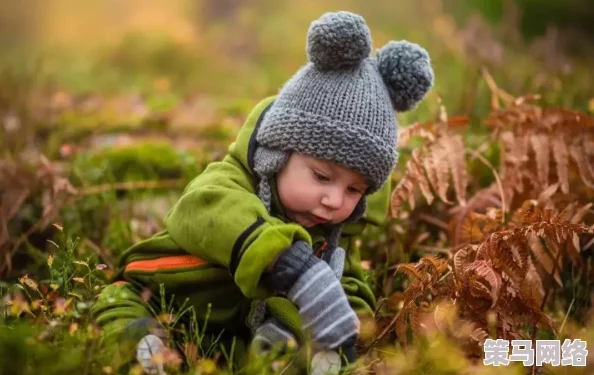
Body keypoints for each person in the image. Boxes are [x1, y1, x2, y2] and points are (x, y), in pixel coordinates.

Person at [91, 10, 433, 374]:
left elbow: (346, 281)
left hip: (226, 335)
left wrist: (345, 332)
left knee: (278, 349)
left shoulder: (331, 233)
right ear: (277, 155)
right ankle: (144, 348)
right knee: (120, 309)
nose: (334, 200)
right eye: (321, 177)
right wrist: (289, 264)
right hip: (155, 293)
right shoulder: (229, 183)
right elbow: (203, 210)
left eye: (354, 189)